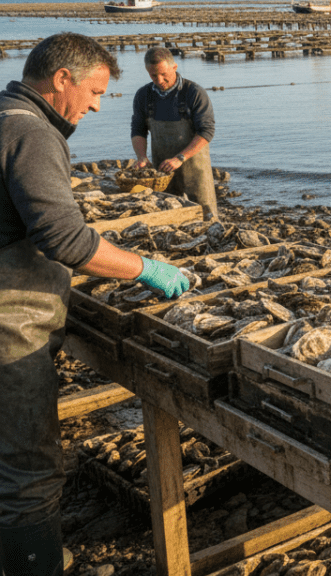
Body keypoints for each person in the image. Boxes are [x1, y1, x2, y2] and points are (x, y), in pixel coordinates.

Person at [1, 33, 189, 574]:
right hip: (9, 323)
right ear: (61, 79)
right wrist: (146, 268)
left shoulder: (3, 111)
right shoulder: (28, 131)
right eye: (93, 92)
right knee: (28, 468)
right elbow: (66, 240)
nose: (95, 105)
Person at [130, 47, 218, 218]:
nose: (159, 80)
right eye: (153, 75)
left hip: (195, 170)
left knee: (205, 214)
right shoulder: (143, 96)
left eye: (163, 74)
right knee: (169, 214)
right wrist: (141, 156)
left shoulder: (194, 93)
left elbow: (206, 132)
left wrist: (180, 158)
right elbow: (138, 130)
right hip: (163, 171)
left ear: (174, 67)